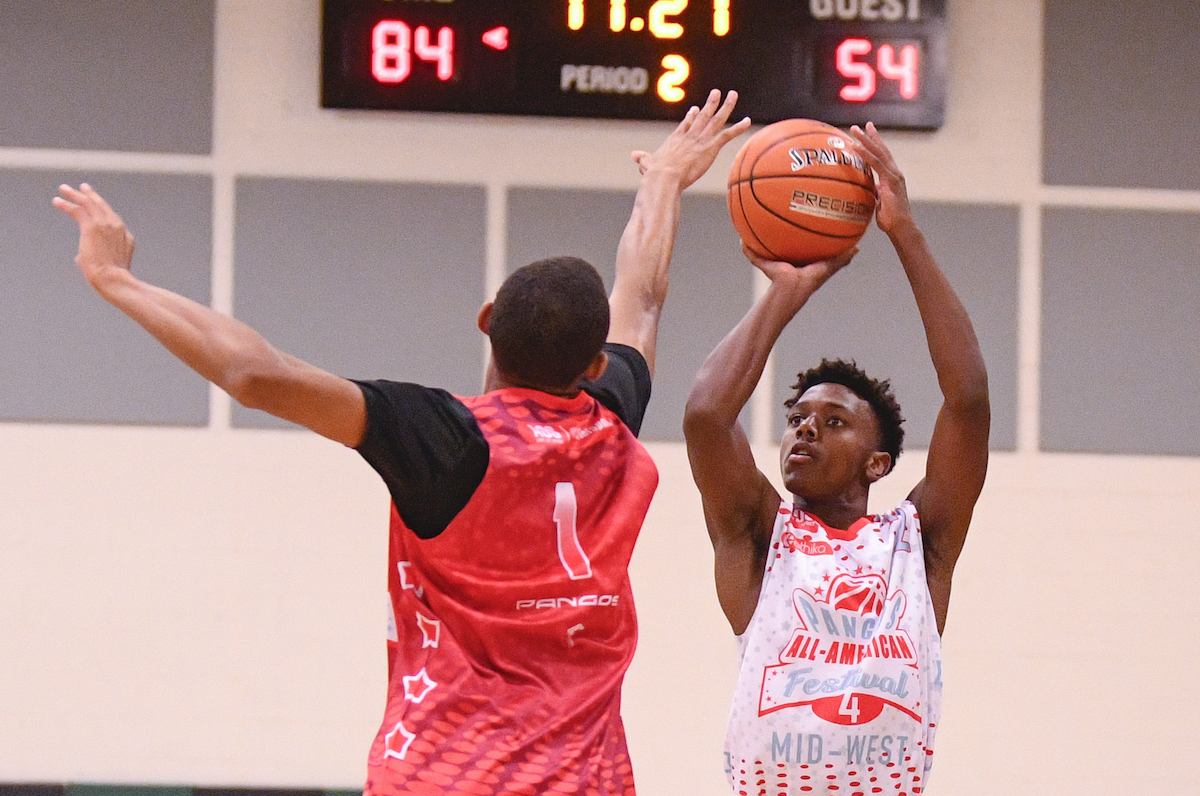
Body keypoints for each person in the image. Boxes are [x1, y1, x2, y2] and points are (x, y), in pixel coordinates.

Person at [54, 90, 750, 796]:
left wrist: (116, 279)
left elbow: (254, 374)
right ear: (594, 365)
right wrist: (663, 180)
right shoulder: (613, 420)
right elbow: (645, 293)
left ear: (485, 322)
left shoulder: (440, 438)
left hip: (440, 777)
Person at [683, 122, 989, 795]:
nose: (804, 432)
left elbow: (967, 400)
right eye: (795, 421)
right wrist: (786, 295)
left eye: (832, 421)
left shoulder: (919, 543)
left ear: (877, 464)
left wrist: (906, 235)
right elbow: (707, 416)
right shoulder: (762, 535)